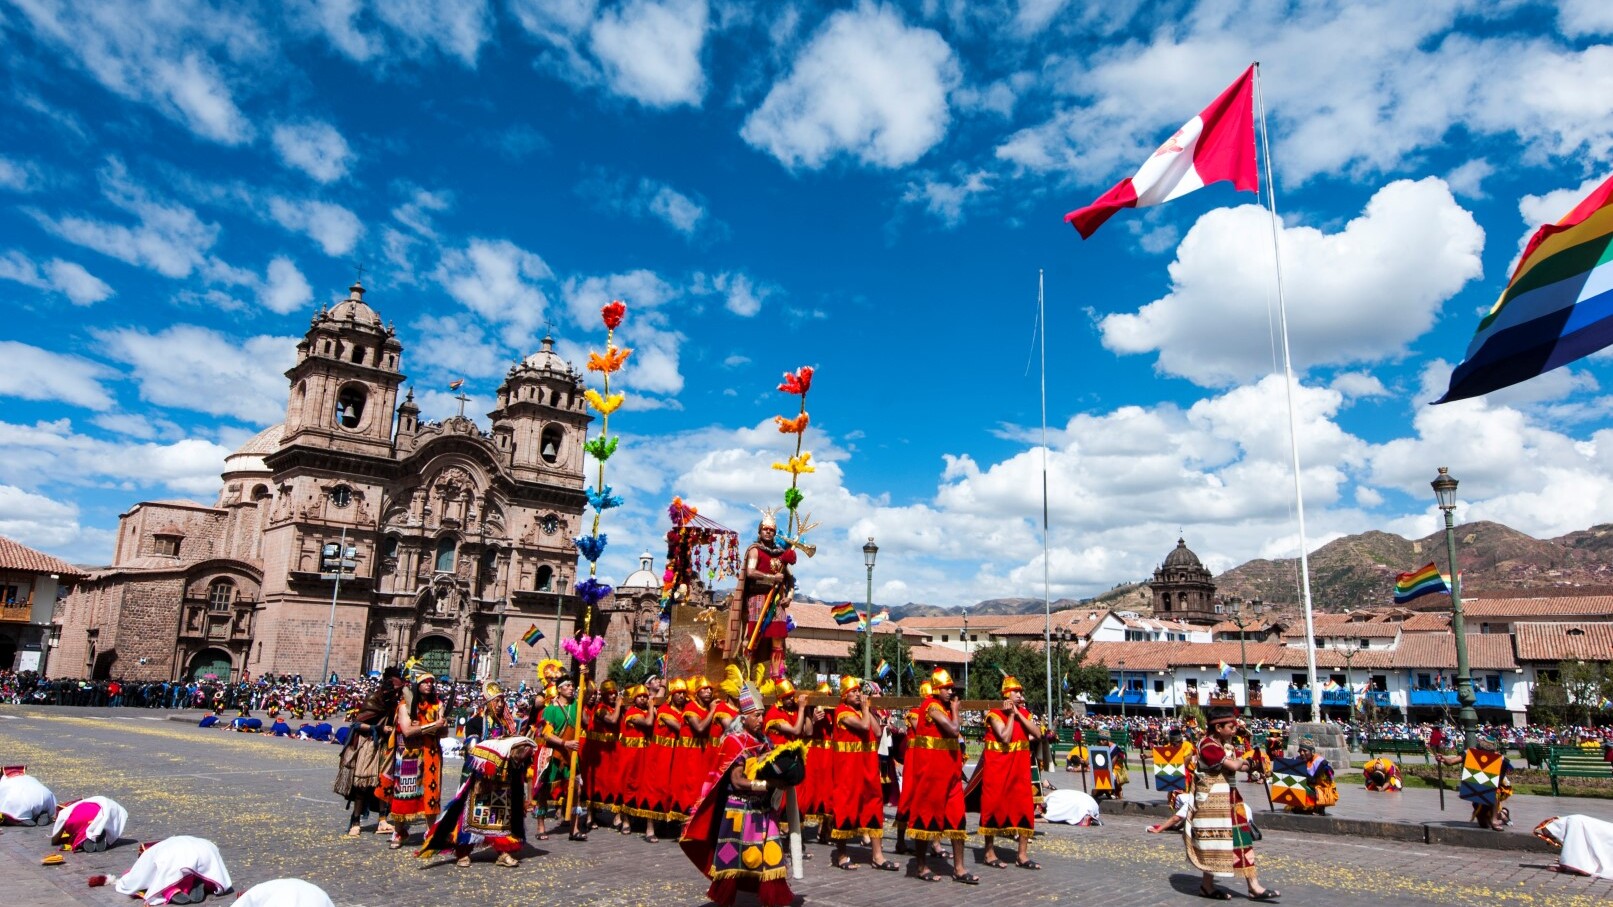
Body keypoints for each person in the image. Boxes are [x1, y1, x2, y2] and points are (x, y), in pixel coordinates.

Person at [679, 680, 794, 907]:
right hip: (739, 810)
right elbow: (737, 780)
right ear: (744, 717)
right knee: (733, 859)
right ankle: (725, 898)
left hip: (763, 810)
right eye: (757, 716)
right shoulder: (734, 741)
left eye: (762, 715)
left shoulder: (764, 741)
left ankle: (774, 899)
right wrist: (765, 785)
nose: (761, 720)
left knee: (771, 855)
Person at [1184, 707, 1278, 901]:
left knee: (1242, 842)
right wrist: (1248, 761)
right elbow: (1235, 766)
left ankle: (1253, 886)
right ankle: (1208, 886)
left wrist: (1252, 765)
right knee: (1215, 844)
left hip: (1230, 800)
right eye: (1231, 726)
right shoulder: (1208, 746)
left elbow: (1239, 765)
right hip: (1212, 803)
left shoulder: (1223, 745)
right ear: (1218, 727)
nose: (1235, 730)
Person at [419, 736, 537, 868]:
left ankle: (502, 852)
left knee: (501, 822)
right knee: (467, 820)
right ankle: (463, 852)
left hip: (503, 789)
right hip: (480, 781)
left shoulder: (510, 733)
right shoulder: (483, 733)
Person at [904, 669, 975, 883]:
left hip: (950, 773)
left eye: (951, 688)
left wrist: (953, 710)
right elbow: (954, 730)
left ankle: (959, 869)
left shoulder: (943, 707)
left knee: (957, 819)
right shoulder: (931, 706)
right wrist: (955, 710)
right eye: (946, 688)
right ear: (936, 688)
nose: (950, 691)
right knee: (925, 818)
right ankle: (921, 866)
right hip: (931, 774)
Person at [829, 674, 897, 872]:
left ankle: (878, 856)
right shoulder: (842, 712)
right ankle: (841, 855)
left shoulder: (862, 712)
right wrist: (866, 710)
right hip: (848, 771)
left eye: (859, 691)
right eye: (853, 692)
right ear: (844, 695)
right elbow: (864, 726)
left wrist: (869, 710)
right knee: (845, 808)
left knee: (874, 806)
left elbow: (876, 731)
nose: (858, 695)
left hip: (867, 768)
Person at [976, 675, 1041, 871]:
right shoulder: (994, 714)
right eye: (1016, 692)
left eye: (1021, 692)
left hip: (1019, 770)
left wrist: (1019, 714)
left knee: (1024, 808)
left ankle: (1022, 855)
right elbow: (1004, 737)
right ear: (1006, 694)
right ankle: (988, 852)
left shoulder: (1025, 714)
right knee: (993, 806)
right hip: (998, 770)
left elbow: (1037, 734)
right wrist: (1012, 715)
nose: (1020, 695)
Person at [334, 666, 402, 837]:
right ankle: (355, 821)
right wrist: (379, 729)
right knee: (362, 785)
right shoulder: (373, 698)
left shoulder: (395, 703)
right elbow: (357, 724)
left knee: (384, 783)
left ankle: (382, 820)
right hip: (369, 743)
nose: (396, 695)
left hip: (387, 746)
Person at [382, 671, 448, 848]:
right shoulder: (404, 706)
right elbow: (407, 730)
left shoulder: (438, 705)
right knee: (403, 792)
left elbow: (444, 732)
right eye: (425, 682)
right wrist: (434, 726)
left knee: (431, 793)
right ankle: (399, 832)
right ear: (417, 685)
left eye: (431, 682)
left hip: (431, 752)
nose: (429, 685)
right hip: (408, 754)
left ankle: (430, 832)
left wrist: (437, 727)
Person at [733, 512, 797, 678]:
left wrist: (789, 596)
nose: (768, 532)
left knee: (777, 638)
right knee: (753, 637)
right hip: (758, 599)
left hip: (777, 600)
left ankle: (776, 675)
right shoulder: (755, 551)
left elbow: (790, 580)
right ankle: (746, 674)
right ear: (759, 531)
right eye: (765, 529)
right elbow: (751, 572)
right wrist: (772, 577)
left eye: (771, 530)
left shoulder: (780, 553)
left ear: (775, 533)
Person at [112, 836, 233, 905]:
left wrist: (124, 879)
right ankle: (198, 882)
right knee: (197, 870)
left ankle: (172, 891)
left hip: (173, 859)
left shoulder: (149, 855)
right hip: (206, 848)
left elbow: (135, 880)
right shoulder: (165, 844)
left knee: (161, 879)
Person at [1437, 735, 1513, 830]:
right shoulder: (1470, 753)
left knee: (1493, 792)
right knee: (1484, 824)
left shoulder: (1498, 757)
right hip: (1477, 787)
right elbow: (1451, 761)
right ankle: (1502, 814)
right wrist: (1443, 758)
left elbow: (1508, 770)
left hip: (1495, 788)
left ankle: (1494, 820)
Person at [1534, 814, 1613, 879]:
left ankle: (1581, 867)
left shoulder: (1574, 824)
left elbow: (1573, 847)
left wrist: (1565, 864)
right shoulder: (1573, 821)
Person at [1276, 736, 1336, 815]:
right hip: (1303, 789)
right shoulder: (1297, 760)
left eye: (1305, 751)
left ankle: (1317, 807)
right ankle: (1298, 805)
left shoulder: (1322, 764)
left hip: (1318, 790)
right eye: (1300, 751)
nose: (1301, 753)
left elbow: (1328, 783)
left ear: (1312, 751)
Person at [51, 796, 127, 852]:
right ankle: (98, 834)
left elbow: (54, 839)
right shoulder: (85, 802)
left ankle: (83, 841)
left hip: (76, 820)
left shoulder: (64, 812)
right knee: (102, 821)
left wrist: (60, 837)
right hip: (99, 810)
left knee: (78, 833)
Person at [1152, 726, 1196, 810]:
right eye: (1171, 744)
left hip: (1186, 774)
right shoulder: (1171, 746)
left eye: (1174, 744)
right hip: (1174, 773)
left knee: (1183, 795)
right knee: (1173, 799)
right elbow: (1160, 752)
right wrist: (1146, 756)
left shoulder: (1188, 746)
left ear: (1181, 741)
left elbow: (1184, 765)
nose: (1172, 746)